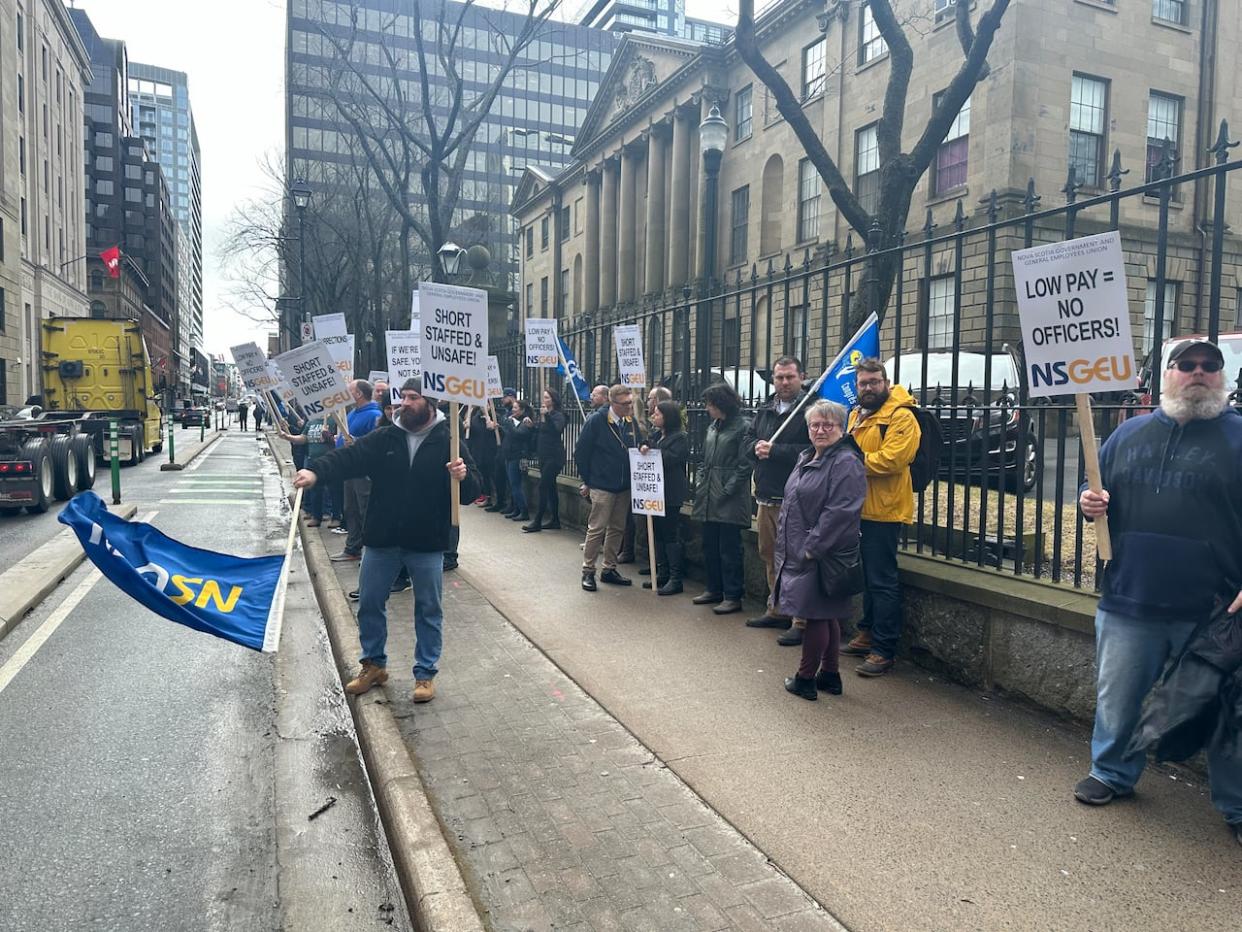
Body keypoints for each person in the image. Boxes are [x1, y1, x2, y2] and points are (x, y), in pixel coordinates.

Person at [1074, 339, 1242, 845]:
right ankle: (1111, 773)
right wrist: (1089, 504)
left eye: (1209, 366)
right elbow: (1095, 495)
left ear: (1223, 377)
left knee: (1226, 712)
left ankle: (1236, 804)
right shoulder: (1127, 434)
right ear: (1166, 375)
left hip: (1216, 610)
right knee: (1118, 697)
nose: (1197, 373)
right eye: (1185, 365)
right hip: (1131, 596)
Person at [294, 377, 481, 704]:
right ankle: (373, 664)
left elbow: (472, 493)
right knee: (369, 601)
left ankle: (425, 673)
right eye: (403, 397)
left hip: (426, 542)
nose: (405, 403)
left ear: (430, 403)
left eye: (413, 398)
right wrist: (315, 473)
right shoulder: (385, 437)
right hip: (382, 540)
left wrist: (463, 478)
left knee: (428, 608)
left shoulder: (448, 442)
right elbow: (348, 458)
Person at [771, 401, 867, 700]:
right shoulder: (808, 456)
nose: (821, 430)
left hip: (821, 553)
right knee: (827, 615)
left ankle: (805, 678)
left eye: (829, 425)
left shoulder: (846, 462)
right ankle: (830, 675)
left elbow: (840, 511)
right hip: (805, 548)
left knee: (814, 615)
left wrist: (812, 548)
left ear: (842, 428)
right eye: (815, 425)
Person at [841, 358, 920, 677]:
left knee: (882, 580)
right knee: (868, 578)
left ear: (886, 383)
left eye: (874, 382)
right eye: (863, 383)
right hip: (857, 507)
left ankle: (883, 649)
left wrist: (849, 464)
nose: (869, 388)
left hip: (884, 511)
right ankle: (867, 631)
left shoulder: (902, 416)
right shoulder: (855, 414)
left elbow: (893, 460)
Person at [743, 356, 814, 646]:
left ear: (802, 377)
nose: (784, 382)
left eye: (789, 377)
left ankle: (801, 619)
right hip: (766, 496)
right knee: (769, 554)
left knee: (797, 560)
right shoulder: (766, 409)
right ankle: (778, 607)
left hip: (796, 499)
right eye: (779, 377)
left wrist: (776, 450)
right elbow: (747, 440)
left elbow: (813, 449)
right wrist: (754, 448)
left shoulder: (810, 409)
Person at [691, 383, 753, 615]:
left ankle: (733, 594)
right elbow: (703, 457)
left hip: (729, 496)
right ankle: (714, 588)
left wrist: (727, 490)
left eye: (710, 403)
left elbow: (745, 465)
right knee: (710, 545)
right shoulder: (714, 426)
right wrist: (700, 479)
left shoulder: (743, 427)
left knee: (729, 548)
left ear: (721, 404)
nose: (707, 408)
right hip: (709, 491)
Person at [576, 384, 638, 591]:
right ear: (613, 403)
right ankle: (588, 570)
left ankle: (609, 568)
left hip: (623, 485)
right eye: (625, 403)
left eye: (631, 402)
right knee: (597, 528)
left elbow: (639, 442)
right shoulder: (596, 421)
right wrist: (589, 479)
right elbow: (581, 452)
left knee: (617, 528)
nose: (630, 406)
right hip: (602, 484)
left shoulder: (630, 421)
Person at [330, 379, 385, 564]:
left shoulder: (374, 415)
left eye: (349, 390)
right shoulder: (353, 412)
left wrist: (356, 441)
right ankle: (352, 547)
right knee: (350, 509)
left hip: (364, 471)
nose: (346, 393)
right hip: (350, 469)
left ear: (359, 394)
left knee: (365, 510)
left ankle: (369, 550)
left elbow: (376, 442)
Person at [639, 400, 689, 594]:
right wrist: (645, 445)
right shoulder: (657, 435)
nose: (654, 416)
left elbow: (670, 459)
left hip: (671, 492)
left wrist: (651, 449)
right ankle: (662, 571)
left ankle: (676, 578)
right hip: (655, 492)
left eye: (658, 414)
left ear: (668, 417)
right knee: (657, 532)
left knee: (670, 533)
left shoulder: (680, 437)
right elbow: (645, 443)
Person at [524, 389, 567, 532]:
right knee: (550, 487)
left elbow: (556, 429)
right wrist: (532, 426)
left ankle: (537, 521)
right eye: (543, 397)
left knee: (543, 486)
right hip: (543, 456)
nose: (544, 400)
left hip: (554, 457)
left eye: (547, 398)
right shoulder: (543, 416)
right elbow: (541, 432)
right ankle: (555, 519)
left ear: (553, 400)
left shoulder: (558, 415)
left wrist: (547, 416)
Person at [281, 415, 332, 526]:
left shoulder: (334, 420)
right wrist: (288, 437)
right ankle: (315, 515)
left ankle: (328, 512)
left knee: (328, 488)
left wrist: (329, 436)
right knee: (314, 489)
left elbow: (338, 438)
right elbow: (303, 438)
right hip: (312, 460)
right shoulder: (311, 422)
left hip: (329, 460)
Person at [500, 398, 535, 523]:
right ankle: (516, 509)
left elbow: (518, 434)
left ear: (522, 410)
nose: (513, 410)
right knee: (511, 484)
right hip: (509, 455)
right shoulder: (511, 420)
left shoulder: (525, 422)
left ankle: (524, 510)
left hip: (518, 456)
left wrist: (509, 424)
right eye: (513, 407)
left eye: (515, 408)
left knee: (516, 485)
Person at [484, 389, 518, 513]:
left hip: (512, 450)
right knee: (499, 476)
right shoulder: (506, 413)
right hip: (502, 448)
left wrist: (498, 427)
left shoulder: (516, 412)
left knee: (511, 481)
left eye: (504, 397)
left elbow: (512, 431)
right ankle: (500, 501)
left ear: (511, 397)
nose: (502, 400)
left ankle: (513, 505)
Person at [467, 405, 499, 507]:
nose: (484, 407)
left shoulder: (495, 416)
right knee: (484, 475)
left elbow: (501, 433)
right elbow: (471, 433)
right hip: (479, 451)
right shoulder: (475, 417)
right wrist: (467, 426)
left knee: (494, 476)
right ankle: (487, 497)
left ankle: (498, 499)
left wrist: (494, 426)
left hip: (492, 451)